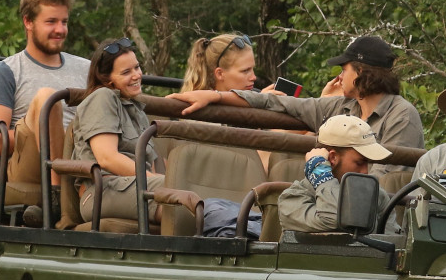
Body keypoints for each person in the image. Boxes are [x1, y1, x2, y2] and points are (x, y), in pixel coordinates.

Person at [168, 34, 423, 178]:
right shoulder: (343, 107)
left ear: (362, 73)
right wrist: (216, 97)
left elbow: (381, 185)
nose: (340, 76)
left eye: (344, 69)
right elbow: (277, 101)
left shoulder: (402, 116)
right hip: (334, 205)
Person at [0, 0, 90, 186]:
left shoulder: (86, 68)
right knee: (47, 97)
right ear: (28, 22)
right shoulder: (7, 71)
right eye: (51, 22)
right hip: (30, 165)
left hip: (83, 157)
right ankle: (58, 194)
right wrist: (56, 137)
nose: (60, 29)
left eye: (64, 22)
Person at [71, 38, 164, 223]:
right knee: (175, 192)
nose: (137, 75)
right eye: (126, 72)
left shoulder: (137, 110)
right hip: (102, 191)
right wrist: (155, 180)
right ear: (108, 80)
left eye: (137, 67)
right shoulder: (102, 97)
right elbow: (107, 158)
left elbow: (150, 162)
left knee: (185, 188)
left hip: (138, 186)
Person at [278, 116, 397, 232]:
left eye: (367, 163)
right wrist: (321, 174)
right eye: (359, 162)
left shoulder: (375, 195)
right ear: (332, 158)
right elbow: (333, 219)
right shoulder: (291, 200)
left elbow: (392, 241)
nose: (365, 171)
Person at [181, 33, 260, 93]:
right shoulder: (206, 109)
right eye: (245, 71)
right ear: (220, 74)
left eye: (252, 69)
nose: (253, 77)